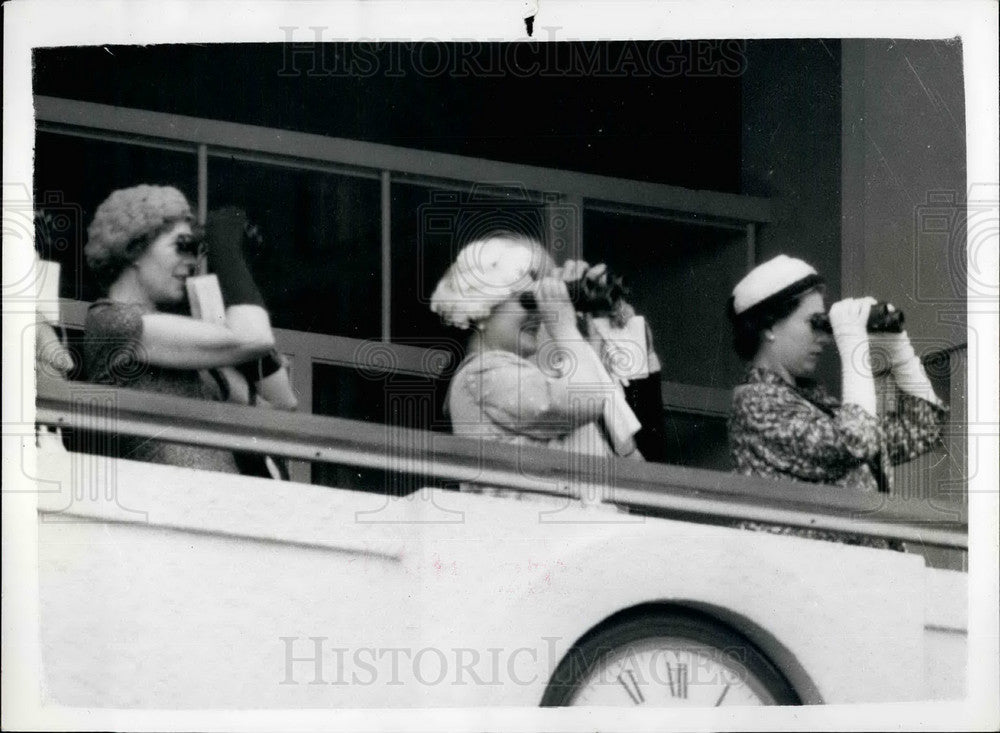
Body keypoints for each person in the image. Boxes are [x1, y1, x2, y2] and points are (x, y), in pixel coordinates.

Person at [725, 255, 947, 544]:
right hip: (802, 575)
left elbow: (923, 428)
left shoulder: (816, 406)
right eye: (813, 323)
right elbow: (857, 440)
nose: (824, 337)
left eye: (825, 324)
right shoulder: (755, 404)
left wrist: (897, 347)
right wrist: (853, 343)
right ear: (768, 326)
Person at [82, 185, 296, 473]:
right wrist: (226, 252)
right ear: (135, 247)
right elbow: (252, 337)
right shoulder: (109, 320)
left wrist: (235, 286)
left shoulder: (178, 347)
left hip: (211, 503)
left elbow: (281, 406)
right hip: (166, 502)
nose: (192, 261)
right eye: (182, 246)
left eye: (196, 250)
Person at [430, 232, 642, 499]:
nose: (539, 312)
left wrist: (592, 324)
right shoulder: (479, 374)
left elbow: (633, 468)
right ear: (480, 305)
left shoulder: (545, 392)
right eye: (528, 298)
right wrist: (564, 328)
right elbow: (585, 399)